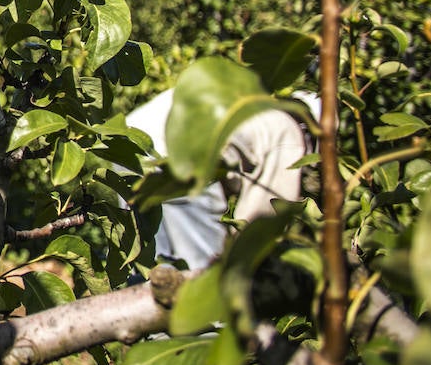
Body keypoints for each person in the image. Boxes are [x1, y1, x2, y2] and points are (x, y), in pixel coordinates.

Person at [125, 88, 319, 269]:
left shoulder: (253, 104)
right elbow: (261, 220)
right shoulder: (289, 133)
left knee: (148, 272)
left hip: (127, 148)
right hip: (180, 161)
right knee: (202, 277)